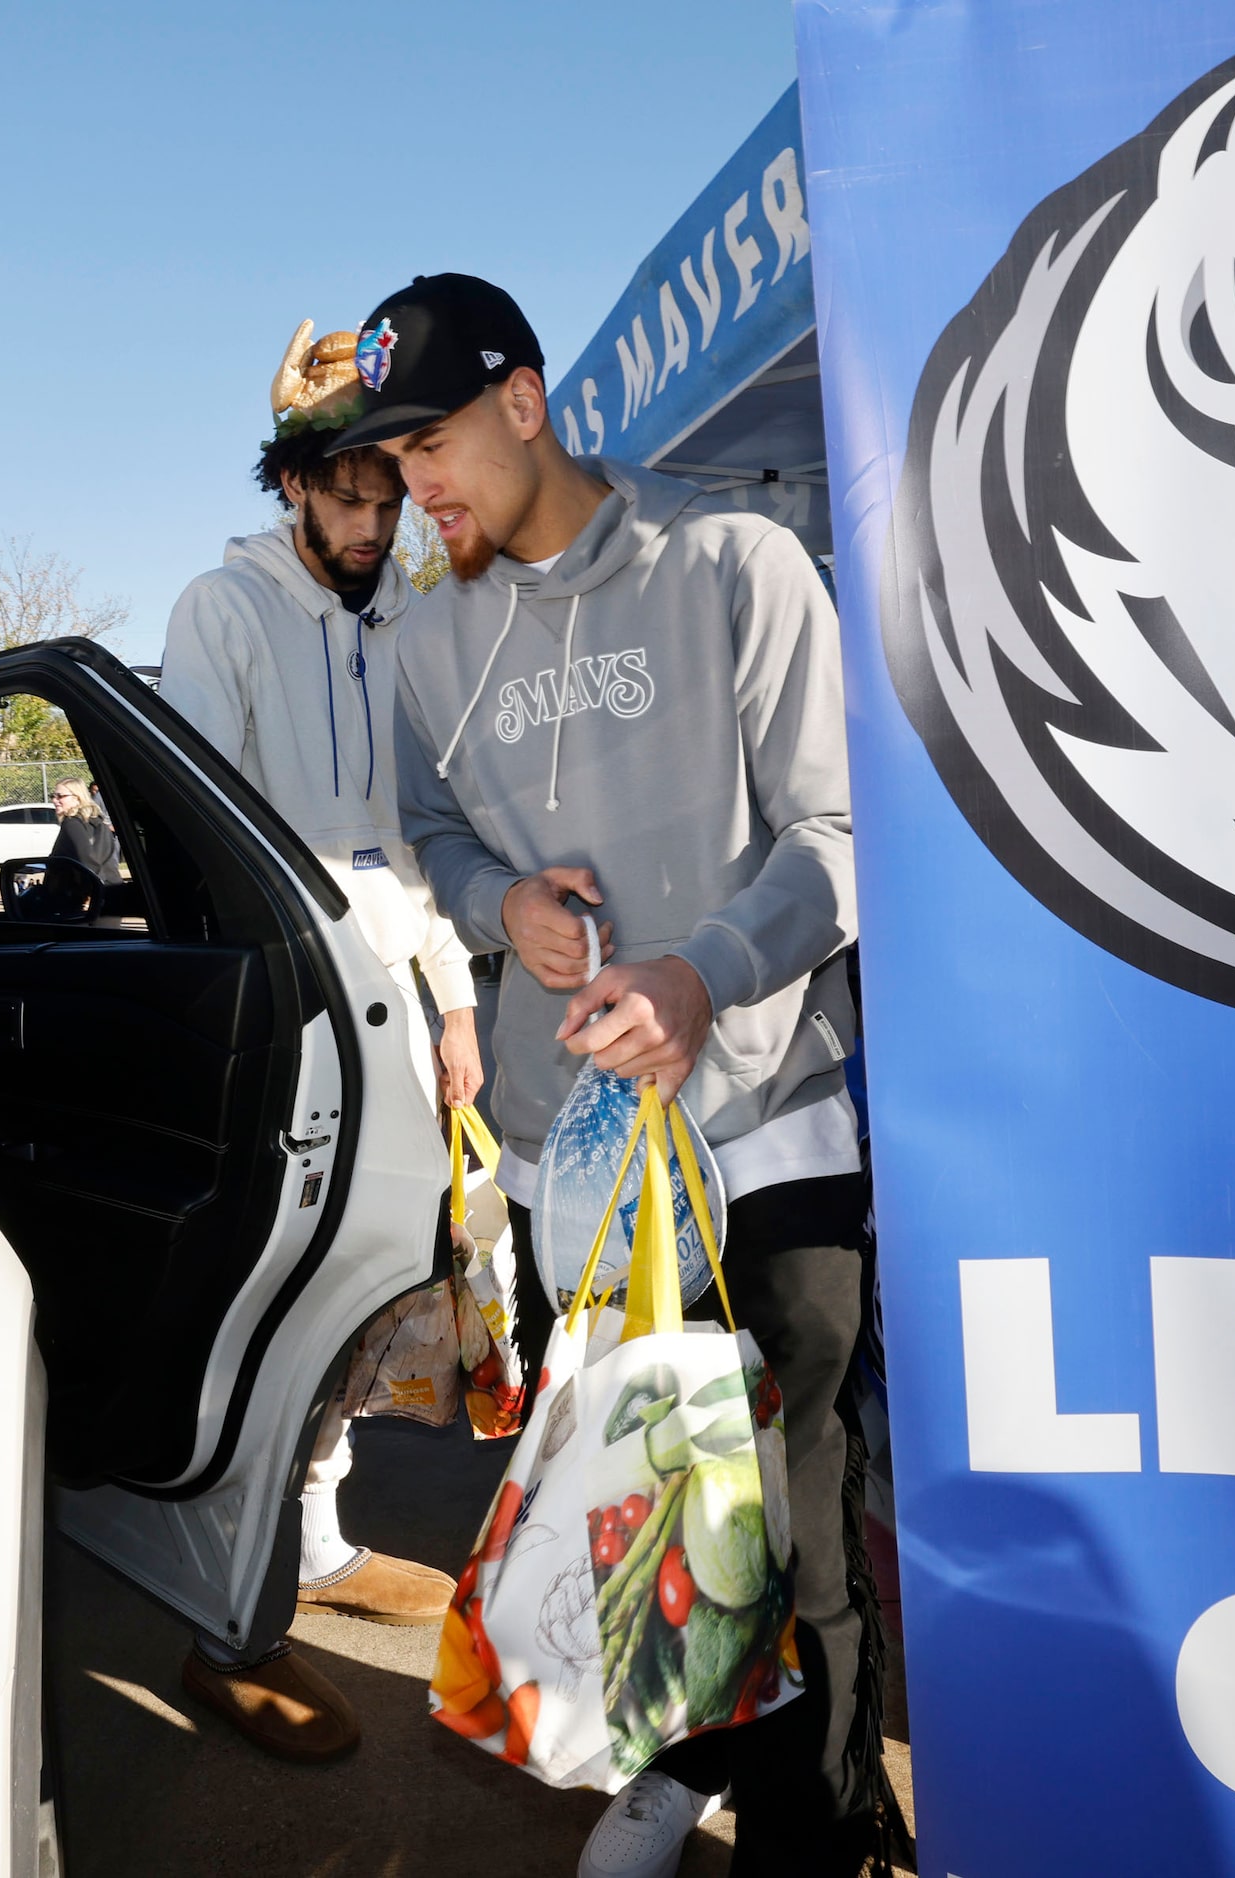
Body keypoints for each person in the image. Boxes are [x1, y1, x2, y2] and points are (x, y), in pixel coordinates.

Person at [339, 274, 882, 1878]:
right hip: (566, 1160)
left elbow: (842, 837)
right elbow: (428, 825)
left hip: (767, 1126)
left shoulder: (736, 561)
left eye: (429, 442)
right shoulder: (429, 633)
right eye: (383, 458)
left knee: (794, 1508)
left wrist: (700, 971)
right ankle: (681, 1757)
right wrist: (494, 901)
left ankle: (815, 1822)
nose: (408, 487)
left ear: (525, 400)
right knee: (640, 1504)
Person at [153, 317, 488, 1762]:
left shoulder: (401, 620)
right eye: (340, 494)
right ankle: (228, 1627)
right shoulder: (218, 615)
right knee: (275, 1316)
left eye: (385, 496)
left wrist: (457, 998)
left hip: (394, 1019)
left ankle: (323, 1545)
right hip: (286, 1025)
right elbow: (192, 835)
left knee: (363, 1311)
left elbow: (415, 837)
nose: (366, 522)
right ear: (288, 482)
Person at [47, 777, 118, 881]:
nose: (54, 800)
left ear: (77, 798)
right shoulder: (96, 821)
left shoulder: (71, 823)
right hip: (111, 886)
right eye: (53, 796)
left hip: (91, 891)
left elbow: (86, 860)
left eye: (60, 796)